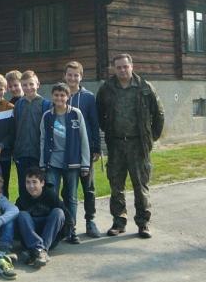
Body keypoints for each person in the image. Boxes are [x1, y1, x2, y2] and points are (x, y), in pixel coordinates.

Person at [96, 53, 164, 239]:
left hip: (138, 144)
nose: (122, 70)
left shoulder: (145, 87)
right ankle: (119, 222)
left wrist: (151, 138)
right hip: (116, 144)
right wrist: (109, 130)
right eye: (118, 67)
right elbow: (99, 113)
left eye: (125, 66)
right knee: (116, 185)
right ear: (114, 68)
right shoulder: (106, 89)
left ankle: (143, 223)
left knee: (140, 186)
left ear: (131, 66)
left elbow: (159, 115)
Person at [39, 82, 90, 244]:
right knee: (52, 196)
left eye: (62, 95)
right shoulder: (47, 116)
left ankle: (71, 229)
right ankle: (55, 229)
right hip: (52, 163)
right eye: (56, 95)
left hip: (72, 163)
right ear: (52, 97)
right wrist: (42, 162)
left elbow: (83, 139)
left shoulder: (76, 114)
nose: (59, 98)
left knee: (71, 197)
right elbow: (42, 140)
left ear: (68, 97)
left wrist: (85, 163)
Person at [64, 61, 102, 238]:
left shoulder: (88, 97)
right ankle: (69, 224)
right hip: (67, 152)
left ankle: (90, 221)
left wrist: (96, 147)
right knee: (69, 190)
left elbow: (94, 124)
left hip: (85, 151)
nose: (72, 78)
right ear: (65, 76)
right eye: (69, 74)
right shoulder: (60, 96)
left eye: (76, 75)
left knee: (89, 188)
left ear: (81, 76)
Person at [16, 167, 70, 268]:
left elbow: (68, 218)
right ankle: (39, 251)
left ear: (42, 183)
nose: (31, 186)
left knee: (58, 212)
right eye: (28, 182)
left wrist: (62, 235)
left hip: (48, 238)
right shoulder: (22, 199)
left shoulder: (51, 195)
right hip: (30, 238)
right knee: (21, 215)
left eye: (34, 182)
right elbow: (16, 224)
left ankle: (35, 252)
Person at [13, 71, 51, 198]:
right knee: (24, 186)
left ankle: (39, 214)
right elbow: (16, 128)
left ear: (38, 84)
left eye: (31, 84)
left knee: (39, 186)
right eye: (24, 85)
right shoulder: (18, 105)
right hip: (22, 153)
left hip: (38, 154)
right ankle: (24, 214)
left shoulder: (46, 104)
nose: (28, 88)